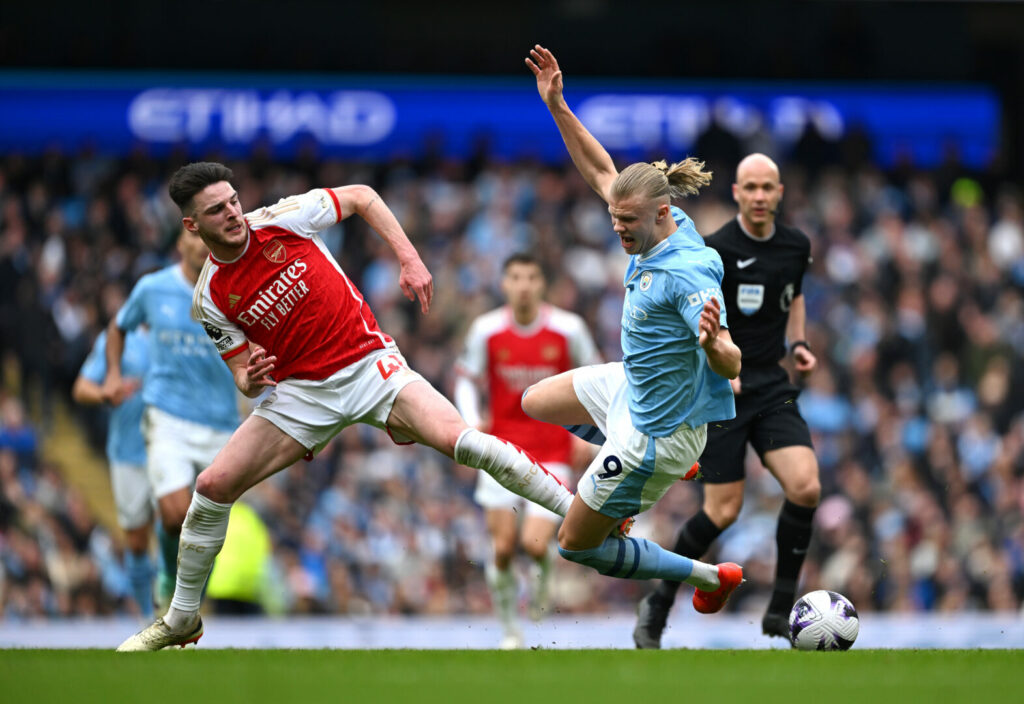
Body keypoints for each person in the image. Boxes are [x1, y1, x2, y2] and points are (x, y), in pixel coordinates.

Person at [116, 161, 580, 651]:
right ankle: (182, 619)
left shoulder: (282, 219)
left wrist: (409, 259)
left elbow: (361, 195)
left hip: (368, 365)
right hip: (300, 395)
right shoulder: (209, 297)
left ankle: (580, 514)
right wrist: (248, 379)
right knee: (211, 486)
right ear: (192, 226)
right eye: (217, 210)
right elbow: (242, 376)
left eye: (233, 200)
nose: (233, 213)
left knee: (463, 442)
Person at [520, 45, 745, 609]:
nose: (618, 229)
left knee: (574, 546)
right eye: (614, 218)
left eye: (627, 222)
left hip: (655, 434)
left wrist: (713, 344)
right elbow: (601, 170)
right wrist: (558, 107)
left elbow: (731, 359)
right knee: (534, 402)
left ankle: (709, 577)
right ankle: (619, 495)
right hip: (633, 389)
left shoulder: (689, 273)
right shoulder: (650, 212)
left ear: (661, 216)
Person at [632, 153, 820, 648]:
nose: (759, 196)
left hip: (771, 385)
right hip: (722, 387)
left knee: (805, 487)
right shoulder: (715, 251)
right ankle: (658, 604)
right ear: (736, 192)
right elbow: (694, 321)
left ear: (779, 193)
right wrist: (717, 365)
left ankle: (780, 610)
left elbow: (793, 296)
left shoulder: (796, 246)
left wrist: (797, 344)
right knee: (722, 511)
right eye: (750, 187)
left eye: (768, 188)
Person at [455, 252, 600, 648]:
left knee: (534, 544)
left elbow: (595, 377)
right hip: (500, 451)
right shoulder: (486, 330)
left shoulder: (569, 329)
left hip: (551, 450)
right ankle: (509, 630)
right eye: (515, 277)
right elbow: (466, 379)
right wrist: (471, 420)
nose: (523, 285)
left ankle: (544, 574)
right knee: (502, 549)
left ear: (542, 284)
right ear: (504, 284)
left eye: (531, 277)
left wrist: (585, 434)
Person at [102, 227, 240, 611]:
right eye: (195, 237)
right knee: (175, 512)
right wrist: (112, 375)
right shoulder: (153, 288)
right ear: (181, 243)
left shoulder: (236, 289)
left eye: (209, 239)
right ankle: (167, 571)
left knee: (207, 527)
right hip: (167, 415)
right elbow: (118, 326)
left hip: (221, 422)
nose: (201, 245)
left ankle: (189, 600)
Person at [73, 326, 155, 620]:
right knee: (135, 539)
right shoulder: (117, 340)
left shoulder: (182, 334)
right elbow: (82, 388)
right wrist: (106, 394)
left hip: (169, 449)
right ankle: (147, 613)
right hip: (128, 454)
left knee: (174, 520)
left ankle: (175, 603)